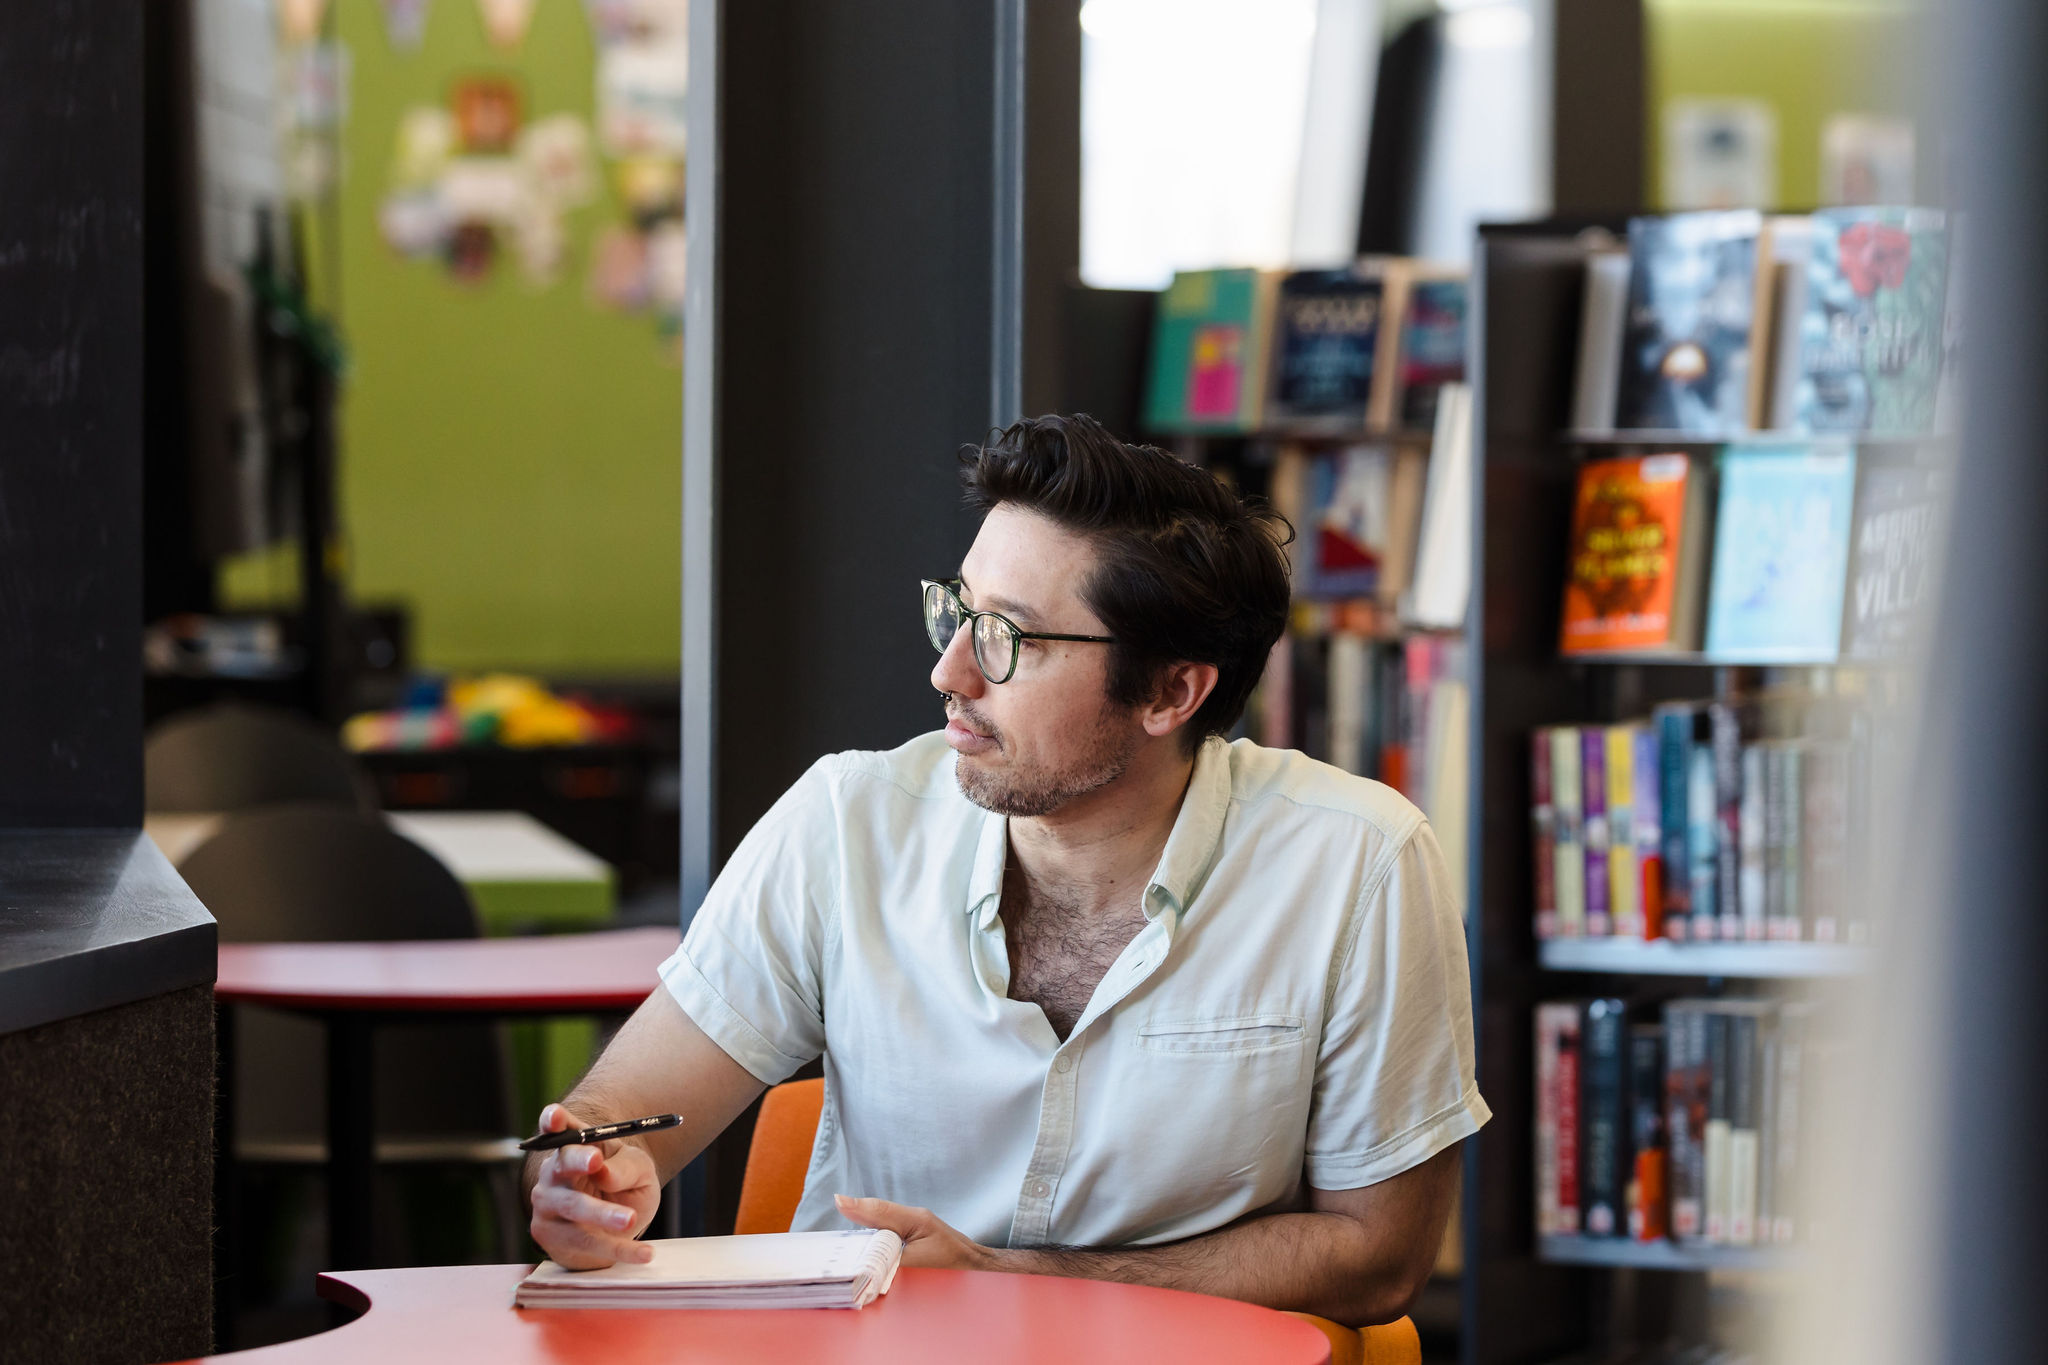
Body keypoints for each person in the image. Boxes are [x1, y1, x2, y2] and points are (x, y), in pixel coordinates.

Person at [524, 414, 1488, 1327]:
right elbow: (621, 1114)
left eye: (1008, 638)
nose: (951, 672)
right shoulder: (849, 820)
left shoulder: (1356, 862)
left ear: (1170, 690)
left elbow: (1380, 1253)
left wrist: (1012, 1281)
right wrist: (594, 1170)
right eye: (959, 611)